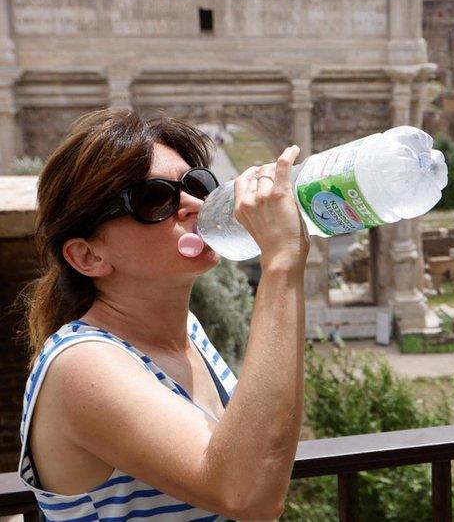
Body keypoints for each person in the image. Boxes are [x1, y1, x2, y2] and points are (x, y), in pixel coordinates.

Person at [16, 109, 309, 519]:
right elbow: (247, 494)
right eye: (154, 199)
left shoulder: (187, 330)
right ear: (88, 255)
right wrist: (280, 262)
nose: (193, 204)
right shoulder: (81, 365)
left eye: (197, 184)